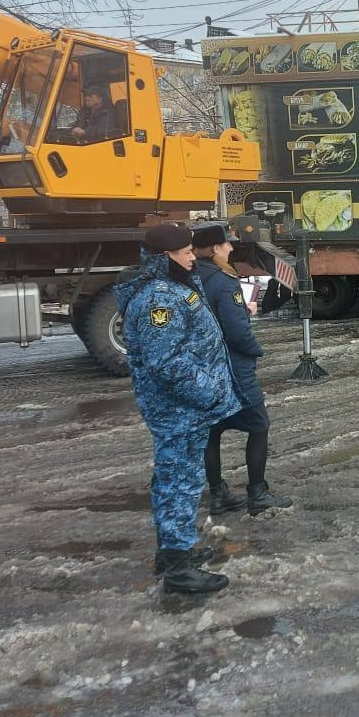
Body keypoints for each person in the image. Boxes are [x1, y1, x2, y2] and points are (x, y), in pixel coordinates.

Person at [115, 222, 243, 594]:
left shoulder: (174, 286)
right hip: (178, 408)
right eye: (184, 251)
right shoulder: (160, 298)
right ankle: (178, 569)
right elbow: (166, 363)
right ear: (162, 258)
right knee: (179, 483)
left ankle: (174, 552)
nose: (192, 255)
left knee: (177, 480)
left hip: (184, 407)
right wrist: (211, 391)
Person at [192, 221, 292, 516]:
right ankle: (257, 494)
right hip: (232, 365)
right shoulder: (223, 280)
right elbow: (236, 331)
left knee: (212, 429)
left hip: (203, 366)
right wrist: (254, 349)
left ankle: (218, 494)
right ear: (215, 249)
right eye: (227, 244)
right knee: (259, 425)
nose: (232, 248)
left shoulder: (190, 276)